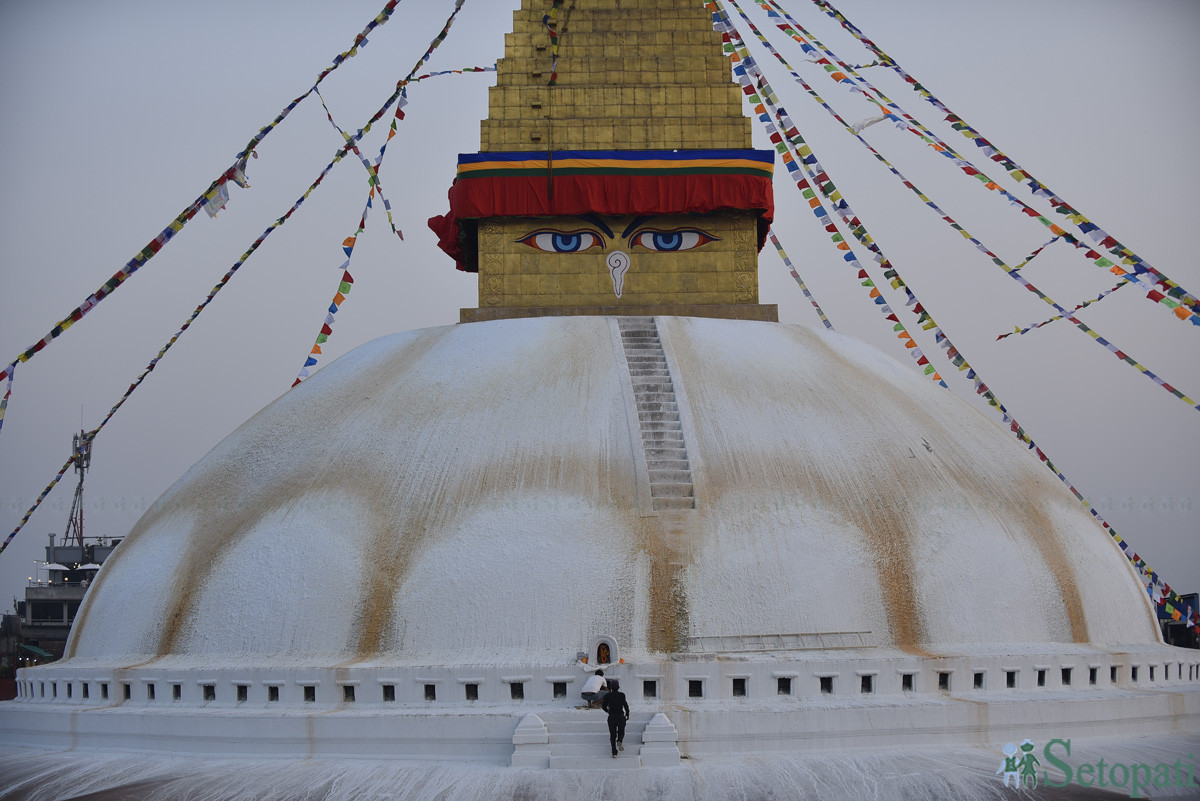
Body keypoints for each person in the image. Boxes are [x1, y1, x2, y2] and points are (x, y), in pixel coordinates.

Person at [601, 679, 629, 757]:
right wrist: (627, 714)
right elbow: (625, 705)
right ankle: (619, 741)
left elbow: (603, 706)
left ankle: (614, 752)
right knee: (621, 731)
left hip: (612, 717)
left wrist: (608, 711)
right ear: (618, 687)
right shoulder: (622, 695)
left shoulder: (607, 696)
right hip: (620, 716)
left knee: (612, 735)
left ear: (610, 688)